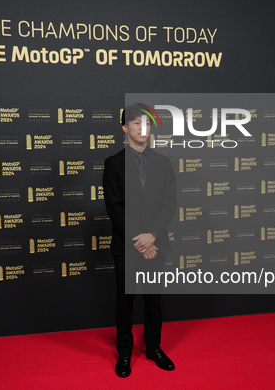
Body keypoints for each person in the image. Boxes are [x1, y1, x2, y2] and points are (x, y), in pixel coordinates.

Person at [103, 103, 177, 378]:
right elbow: (115, 207)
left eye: (146, 123)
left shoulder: (163, 162)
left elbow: (169, 204)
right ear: (125, 128)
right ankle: (124, 352)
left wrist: (152, 236)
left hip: (156, 243)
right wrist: (139, 240)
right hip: (126, 245)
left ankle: (154, 348)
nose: (141, 128)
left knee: (153, 301)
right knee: (125, 301)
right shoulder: (113, 164)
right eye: (135, 123)